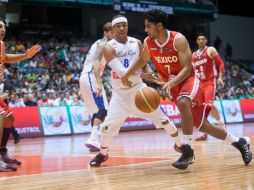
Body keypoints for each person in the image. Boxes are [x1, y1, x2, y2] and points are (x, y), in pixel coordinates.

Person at [121, 9, 252, 169]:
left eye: (149, 26)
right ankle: (240, 142)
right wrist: (127, 74)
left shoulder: (178, 40)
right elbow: (142, 60)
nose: (146, 30)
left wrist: (171, 82)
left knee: (183, 102)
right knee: (203, 126)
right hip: (174, 84)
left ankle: (188, 151)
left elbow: (187, 68)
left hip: (190, 80)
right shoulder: (149, 42)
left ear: (160, 26)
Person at [89, 15, 183, 167]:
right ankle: (103, 154)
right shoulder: (109, 47)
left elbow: (144, 63)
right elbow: (123, 74)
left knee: (165, 120)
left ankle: (180, 145)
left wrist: (150, 72)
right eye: (118, 26)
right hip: (120, 96)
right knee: (106, 129)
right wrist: (144, 75)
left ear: (127, 26)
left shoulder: (137, 42)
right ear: (113, 29)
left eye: (123, 25)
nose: (121, 28)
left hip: (139, 91)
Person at [0, 18, 41, 171]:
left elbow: (3, 59)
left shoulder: (1, 44)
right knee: (1, 116)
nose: (2, 29)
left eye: (4, 26)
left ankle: (2, 153)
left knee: (9, 118)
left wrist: (25, 55)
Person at [79, 22, 114, 151]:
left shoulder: (103, 44)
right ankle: (93, 138)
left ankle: (94, 142)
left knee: (96, 110)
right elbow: (95, 64)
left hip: (85, 77)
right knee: (103, 109)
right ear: (106, 33)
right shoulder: (102, 44)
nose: (114, 34)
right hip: (91, 77)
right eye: (112, 32)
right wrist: (99, 83)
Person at [193, 34, 225, 141]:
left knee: (208, 105)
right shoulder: (193, 55)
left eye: (203, 39)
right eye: (199, 39)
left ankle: (221, 126)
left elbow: (220, 63)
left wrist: (220, 77)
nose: (201, 40)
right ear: (197, 41)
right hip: (199, 84)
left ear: (206, 40)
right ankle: (205, 134)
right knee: (203, 108)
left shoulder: (210, 50)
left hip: (209, 82)